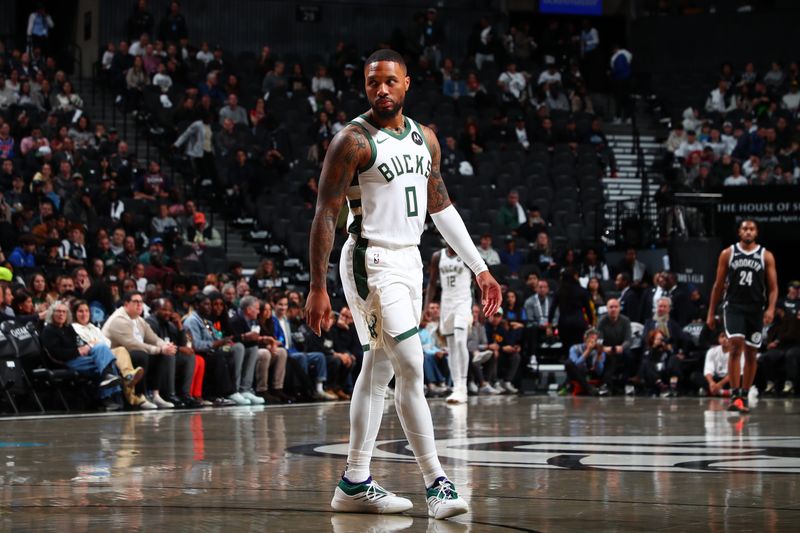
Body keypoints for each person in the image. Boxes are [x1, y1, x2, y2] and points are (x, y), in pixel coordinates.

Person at [304, 49, 501, 520]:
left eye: (390, 81)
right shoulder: (351, 141)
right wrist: (317, 287)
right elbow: (325, 213)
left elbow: (442, 208)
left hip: (409, 261)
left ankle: (354, 482)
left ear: (407, 83)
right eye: (373, 83)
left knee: (378, 371)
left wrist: (480, 269)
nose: (382, 90)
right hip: (370, 260)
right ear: (365, 87)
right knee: (411, 364)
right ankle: (437, 483)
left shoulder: (425, 139)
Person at [707, 219, 778, 413]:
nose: (748, 232)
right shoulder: (728, 254)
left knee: (751, 352)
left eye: (752, 229)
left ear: (756, 233)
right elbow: (718, 285)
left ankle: (744, 396)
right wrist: (711, 312)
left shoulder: (766, 255)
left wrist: (771, 309)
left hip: (755, 308)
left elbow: (773, 288)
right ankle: (735, 394)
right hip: (734, 306)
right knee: (736, 344)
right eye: (745, 228)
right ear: (739, 232)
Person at [41, 300, 123, 411]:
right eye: (58, 312)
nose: (61, 314)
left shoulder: (68, 328)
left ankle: (108, 388)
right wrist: (79, 351)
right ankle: (108, 398)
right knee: (105, 362)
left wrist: (86, 347)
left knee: (102, 353)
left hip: (77, 358)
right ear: (52, 314)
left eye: (64, 312)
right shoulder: (48, 330)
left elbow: (78, 344)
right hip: (65, 362)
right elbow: (57, 353)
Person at [426, 245, 473, 404]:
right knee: (451, 346)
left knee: (460, 341)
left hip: (463, 303)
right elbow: (432, 283)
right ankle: (456, 386)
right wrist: (426, 307)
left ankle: (463, 387)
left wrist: (480, 303)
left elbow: (478, 277)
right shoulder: (438, 256)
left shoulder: (465, 252)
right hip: (446, 305)